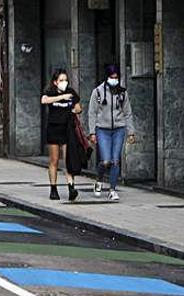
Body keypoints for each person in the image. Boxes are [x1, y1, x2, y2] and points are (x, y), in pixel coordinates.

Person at [88, 64, 136, 201]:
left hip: (119, 129)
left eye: (116, 77)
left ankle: (112, 189)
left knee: (115, 161)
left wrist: (130, 131)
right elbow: (92, 113)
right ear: (107, 77)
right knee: (105, 160)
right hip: (102, 129)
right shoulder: (97, 92)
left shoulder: (122, 93)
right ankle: (99, 180)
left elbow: (128, 113)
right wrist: (92, 132)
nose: (114, 80)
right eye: (112, 77)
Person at [42, 69, 81, 202]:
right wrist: (61, 97)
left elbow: (78, 107)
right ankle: (53, 188)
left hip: (67, 129)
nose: (64, 83)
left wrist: (76, 109)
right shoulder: (50, 92)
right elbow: (44, 100)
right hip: (53, 129)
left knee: (68, 159)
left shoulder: (71, 92)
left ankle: (71, 187)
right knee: (54, 160)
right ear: (55, 82)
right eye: (61, 80)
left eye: (65, 80)